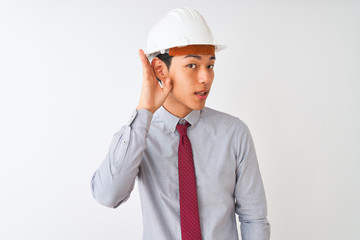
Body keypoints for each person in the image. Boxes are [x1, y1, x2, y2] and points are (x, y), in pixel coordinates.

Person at [91, 7, 270, 240]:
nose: (206, 77)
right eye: (192, 65)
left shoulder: (234, 133)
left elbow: (253, 218)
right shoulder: (138, 136)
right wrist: (144, 111)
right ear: (160, 69)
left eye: (210, 65)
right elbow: (107, 195)